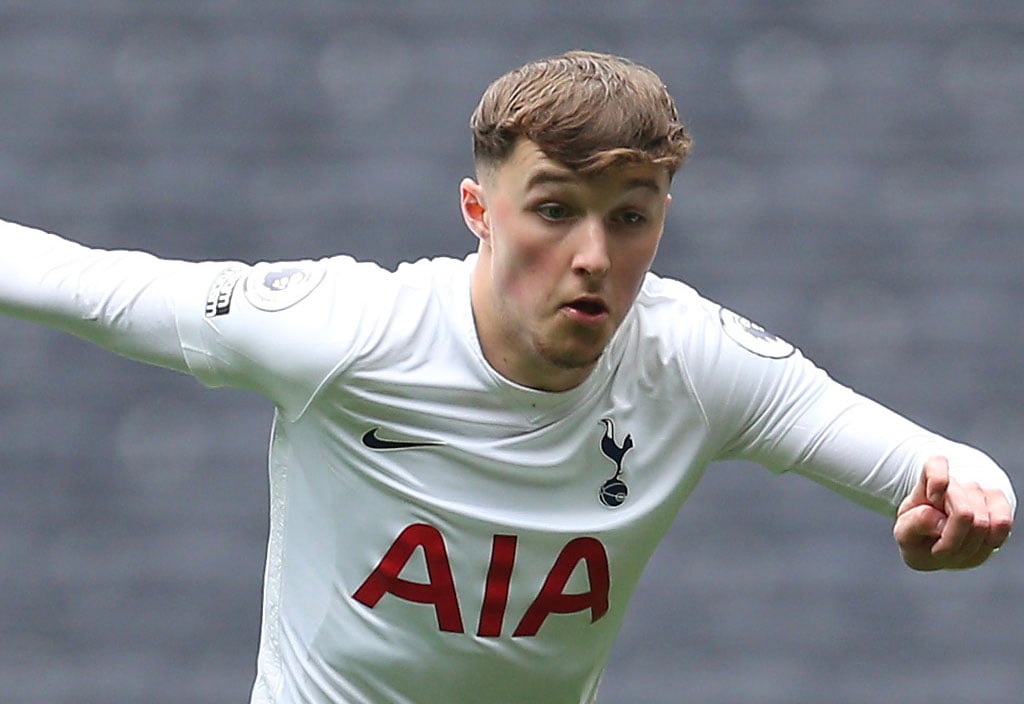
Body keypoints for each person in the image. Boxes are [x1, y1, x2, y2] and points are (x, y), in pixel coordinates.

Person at [0, 50, 1015, 704]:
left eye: (630, 216)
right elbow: (94, 287)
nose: (592, 254)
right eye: (553, 208)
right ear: (477, 213)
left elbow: (929, 463)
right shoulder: (350, 330)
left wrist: (972, 495)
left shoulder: (691, 357)